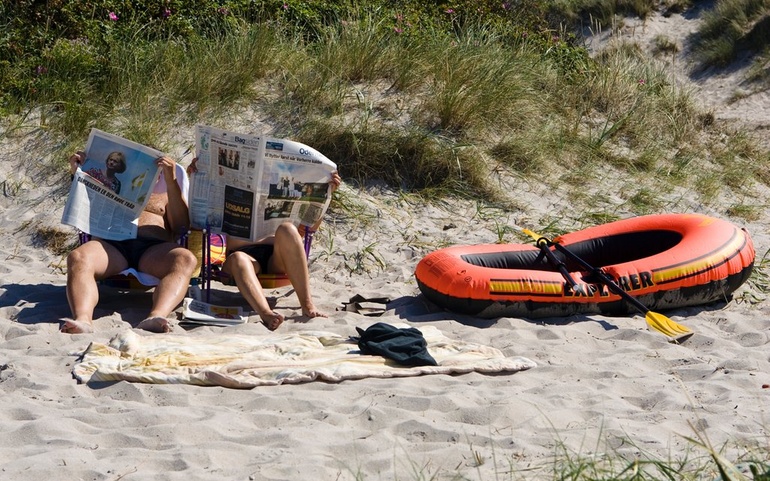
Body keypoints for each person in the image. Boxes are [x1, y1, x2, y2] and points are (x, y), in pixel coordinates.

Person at [188, 159, 340, 330]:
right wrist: (196, 176)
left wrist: (326, 194)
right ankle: (266, 313)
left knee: (288, 229)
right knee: (239, 258)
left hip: (276, 257)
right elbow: (197, 217)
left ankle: (307, 305)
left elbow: (309, 228)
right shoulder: (229, 194)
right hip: (241, 256)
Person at [61, 151, 198, 334]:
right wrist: (77, 171)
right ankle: (83, 320)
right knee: (78, 257)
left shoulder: (166, 192)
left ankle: (156, 316)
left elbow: (181, 226)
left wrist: (171, 180)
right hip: (112, 246)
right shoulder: (109, 183)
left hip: (152, 248)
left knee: (185, 259)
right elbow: (82, 209)